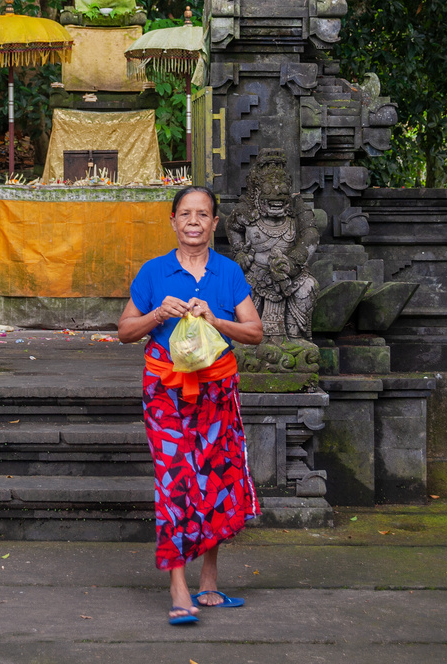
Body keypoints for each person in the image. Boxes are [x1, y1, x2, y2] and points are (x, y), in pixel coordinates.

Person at [118, 184, 263, 625]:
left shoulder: (228, 273)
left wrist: (215, 319)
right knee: (176, 480)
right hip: (165, 392)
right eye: (186, 214)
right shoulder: (154, 273)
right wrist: (158, 314)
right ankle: (178, 584)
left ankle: (209, 580)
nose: (194, 221)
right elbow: (125, 331)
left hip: (217, 390)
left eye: (203, 214)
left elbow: (255, 332)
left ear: (214, 223)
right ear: (173, 222)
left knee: (216, 480)